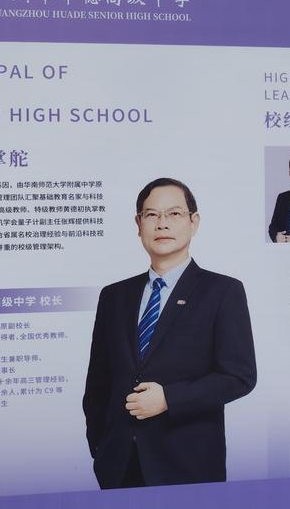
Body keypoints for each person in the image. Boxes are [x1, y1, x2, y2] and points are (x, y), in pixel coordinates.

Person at [83, 178, 257, 490]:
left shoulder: (222, 291)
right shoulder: (115, 296)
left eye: (174, 214)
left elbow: (239, 376)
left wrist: (169, 399)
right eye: (151, 215)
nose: (162, 224)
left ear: (194, 222)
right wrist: (101, 446)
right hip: (119, 464)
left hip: (187, 465)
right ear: (138, 224)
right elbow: (98, 383)